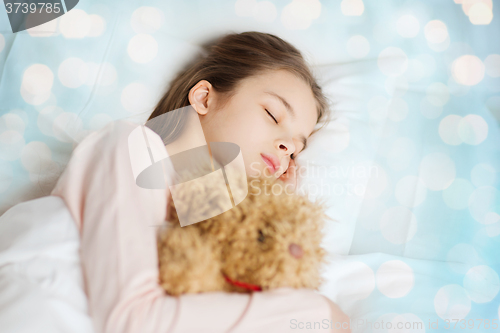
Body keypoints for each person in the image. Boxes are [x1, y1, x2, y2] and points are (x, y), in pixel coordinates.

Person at [51, 31, 350, 333]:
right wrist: (317, 314)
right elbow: (131, 321)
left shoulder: (207, 233)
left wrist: (268, 217)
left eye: (297, 149)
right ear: (204, 98)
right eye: (273, 114)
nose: (287, 148)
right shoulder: (131, 146)